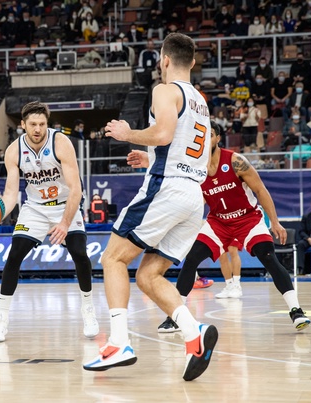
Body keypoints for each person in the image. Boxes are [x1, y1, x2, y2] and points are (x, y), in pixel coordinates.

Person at [82, 33, 217, 381]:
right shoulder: (201, 102)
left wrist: (128, 134)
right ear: (193, 62)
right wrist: (153, 159)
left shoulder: (164, 90)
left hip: (167, 190)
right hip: (193, 196)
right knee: (147, 276)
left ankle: (119, 342)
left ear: (165, 60)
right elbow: (193, 153)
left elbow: (163, 134)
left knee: (113, 259)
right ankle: (194, 335)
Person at [128, 122, 310, 334]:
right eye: (203, 134)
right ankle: (175, 316)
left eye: (210, 134)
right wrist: (149, 160)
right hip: (218, 222)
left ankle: (296, 310)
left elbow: (260, 190)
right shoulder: (194, 166)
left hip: (248, 218)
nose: (206, 138)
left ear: (217, 139)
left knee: (268, 256)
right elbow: (171, 166)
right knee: (192, 259)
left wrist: (275, 222)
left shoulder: (235, 161)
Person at [0, 101, 99, 343]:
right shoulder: (14, 151)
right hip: (35, 208)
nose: (38, 129)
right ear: (23, 125)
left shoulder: (61, 142)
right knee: (14, 255)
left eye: (42, 124)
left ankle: (88, 309)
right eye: (33, 124)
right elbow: (10, 193)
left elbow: (76, 188)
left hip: (65, 204)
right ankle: (1, 319)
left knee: (80, 253)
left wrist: (65, 223)